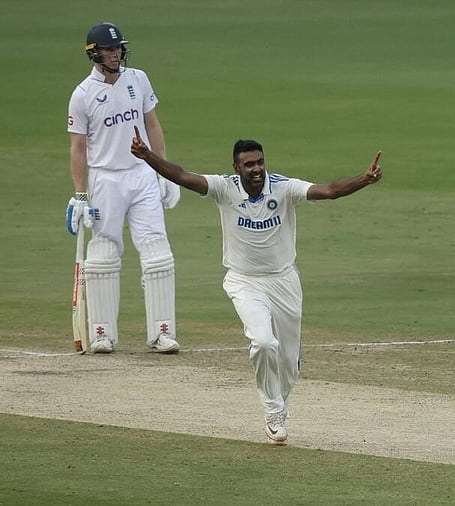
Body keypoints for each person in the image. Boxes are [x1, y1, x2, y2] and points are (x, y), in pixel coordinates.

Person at [130, 127, 383, 445]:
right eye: (249, 164)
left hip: (284, 280)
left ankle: (280, 400)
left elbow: (328, 190)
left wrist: (364, 179)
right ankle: (273, 411)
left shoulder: (283, 188)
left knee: (288, 365)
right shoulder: (224, 188)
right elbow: (181, 175)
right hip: (244, 281)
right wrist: (147, 155)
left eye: (260, 162)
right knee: (263, 342)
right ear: (237, 168)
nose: (257, 169)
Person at [67, 22, 181, 354]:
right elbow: (77, 148)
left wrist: (165, 171)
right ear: (94, 53)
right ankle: (102, 333)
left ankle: (162, 333)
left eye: (118, 48)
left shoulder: (138, 79)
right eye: (109, 49)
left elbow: (152, 123)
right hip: (105, 179)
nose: (116, 54)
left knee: (158, 252)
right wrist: (80, 195)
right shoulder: (83, 95)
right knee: (103, 255)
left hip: (143, 174)